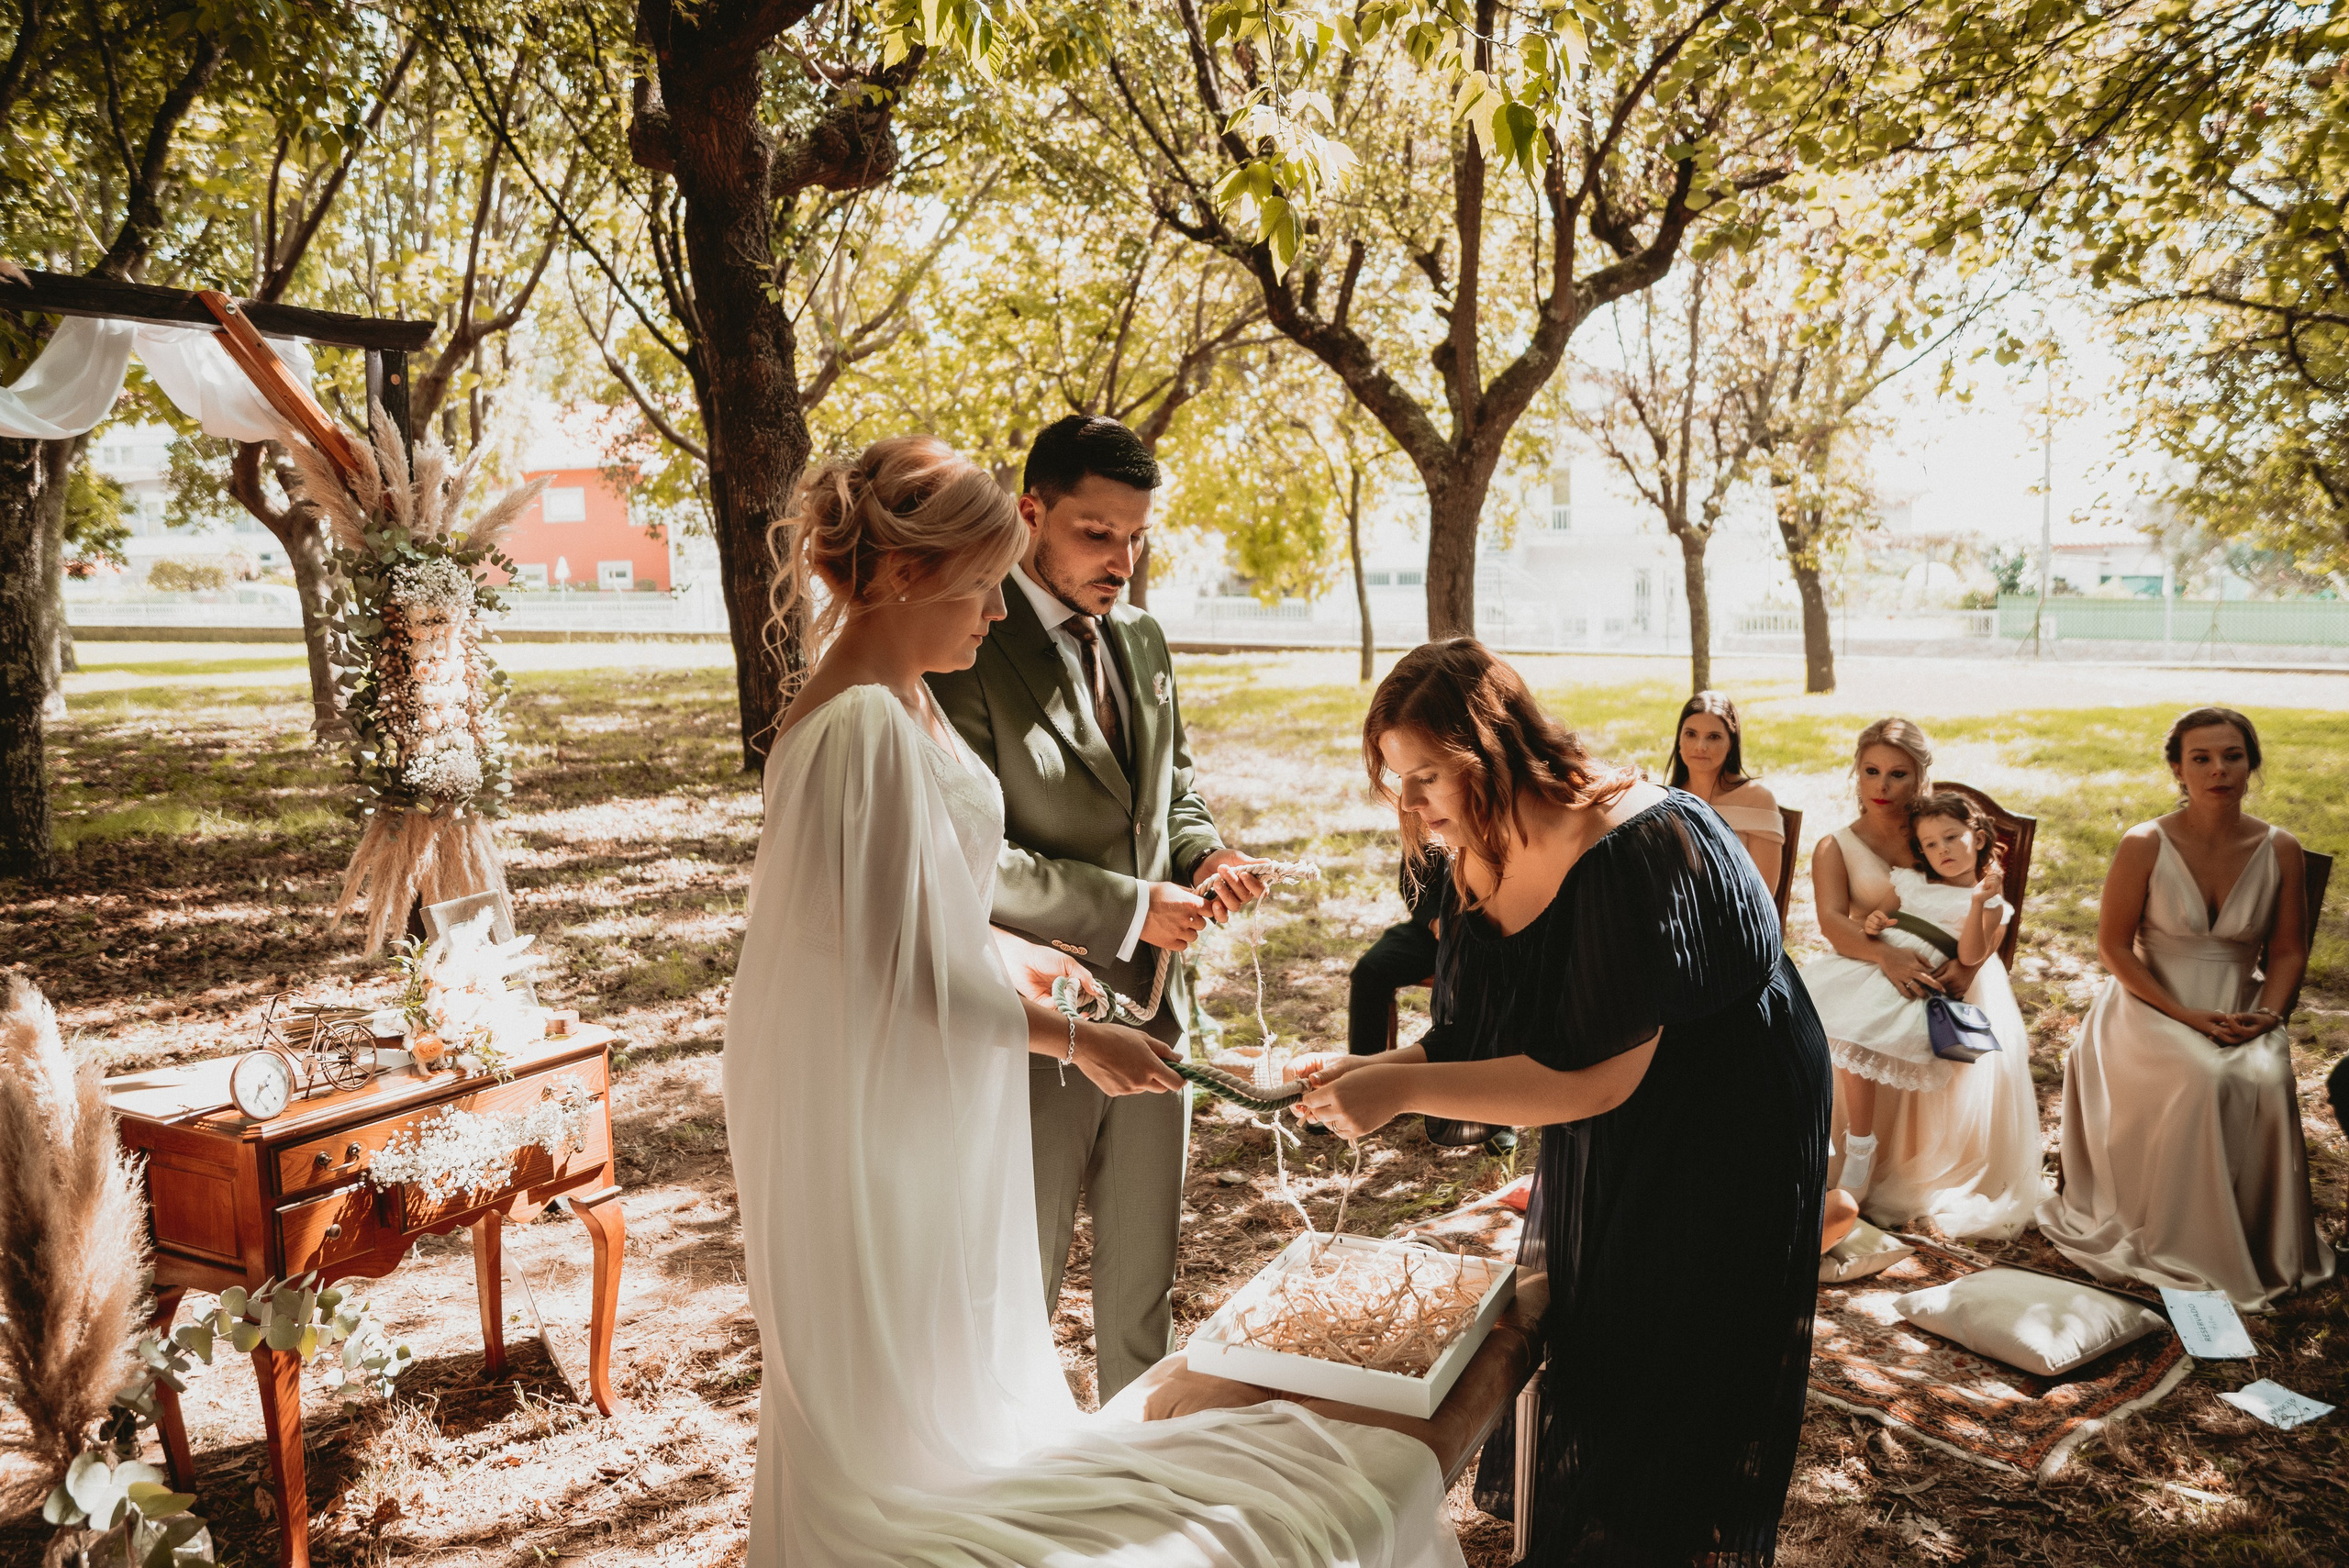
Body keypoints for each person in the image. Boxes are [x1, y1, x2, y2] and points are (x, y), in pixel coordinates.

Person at [724, 435, 1464, 1566]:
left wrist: (1022, 959)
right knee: (899, 1374)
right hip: (875, 1090)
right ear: (912, 575)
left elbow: (902, 903)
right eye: (980, 584)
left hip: (948, 1049)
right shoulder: (863, 724)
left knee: (979, 1342)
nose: (991, 611)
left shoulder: (904, 697)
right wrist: (1080, 1035)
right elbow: (883, 966)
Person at [1297, 639, 1830, 1568]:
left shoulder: (1642, 844)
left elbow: (1594, 1076)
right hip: (1614, 1100)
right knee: (1596, 1324)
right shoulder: (1466, 856)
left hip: (1728, 1116)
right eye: (1394, 778)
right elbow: (1474, 1037)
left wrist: (1404, 1084)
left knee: (1677, 1357)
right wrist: (1365, 1066)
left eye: (1428, 775)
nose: (1410, 804)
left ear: (1492, 750)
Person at [929, 415, 1271, 1403]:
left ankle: (1135, 1481)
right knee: (1018, 1279)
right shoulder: (969, 646)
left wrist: (1208, 857)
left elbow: (1176, 791)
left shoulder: (1146, 638)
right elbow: (966, 855)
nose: (1120, 559)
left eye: (1136, 537)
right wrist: (1130, 907)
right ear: (1029, 512)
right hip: (1039, 1017)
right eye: (1095, 532)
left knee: (1142, 1290)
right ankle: (1009, 1491)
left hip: (1162, 1009)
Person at [2037, 707, 2338, 1308]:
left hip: (2240, 1004)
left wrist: (2271, 1016)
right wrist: (2184, 1016)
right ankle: (2185, 1246)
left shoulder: (2280, 847)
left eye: (2232, 755)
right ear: (2177, 767)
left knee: (2249, 1066)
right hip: (2145, 1003)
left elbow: (2287, 950)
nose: (2218, 769)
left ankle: (2253, 1240)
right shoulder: (2144, 842)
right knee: (2203, 1074)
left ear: (2251, 764)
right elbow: (2114, 948)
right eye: (2201, 757)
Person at [1798, 788, 2045, 1237]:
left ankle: (1861, 1146)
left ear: (1979, 836)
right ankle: (1844, 1143)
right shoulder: (1910, 881)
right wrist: (1873, 924)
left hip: (1920, 984)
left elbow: (1972, 954)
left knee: (1858, 1036)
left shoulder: (1992, 904)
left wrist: (1976, 904)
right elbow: (1880, 917)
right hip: (1882, 967)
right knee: (1821, 1022)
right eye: (1930, 844)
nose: (1942, 851)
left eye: (1951, 838)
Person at [1667, 690, 1785, 899]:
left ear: (1731, 744)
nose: (1700, 746)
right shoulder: (1665, 798)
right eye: (1691, 734)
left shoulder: (1758, 800)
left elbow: (1764, 895)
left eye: (1713, 737)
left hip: (1740, 922)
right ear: (1679, 740)